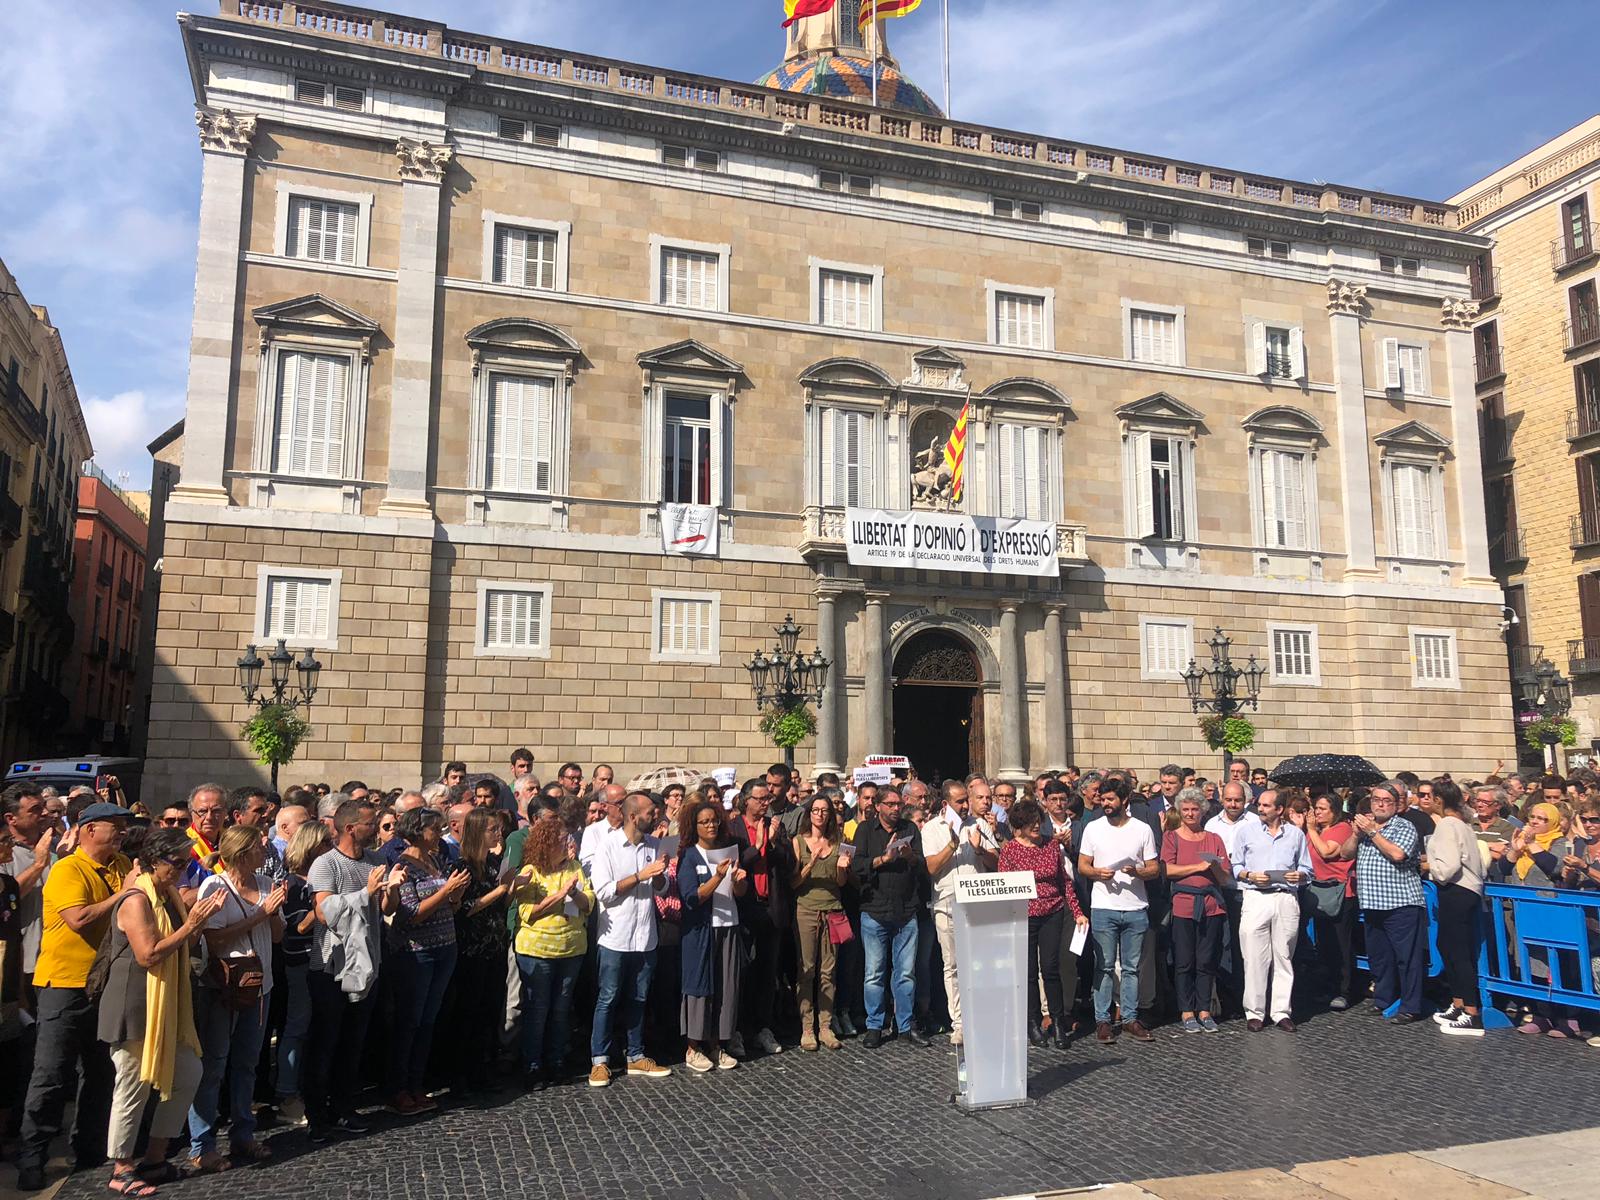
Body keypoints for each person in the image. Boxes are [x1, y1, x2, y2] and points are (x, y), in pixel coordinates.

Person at [98, 829, 227, 1197]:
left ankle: (155, 1158)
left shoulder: (169, 894)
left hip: (167, 1001)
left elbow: (183, 941)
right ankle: (121, 1168)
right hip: (134, 1002)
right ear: (156, 860)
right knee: (133, 1084)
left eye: (188, 863)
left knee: (189, 1071)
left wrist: (196, 923)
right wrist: (191, 924)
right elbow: (149, 954)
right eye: (179, 862)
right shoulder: (137, 898)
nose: (184, 869)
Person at [16, 802, 136, 1191]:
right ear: (87, 830)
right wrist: (124, 895)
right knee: (51, 1074)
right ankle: (32, 1156)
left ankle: (88, 1149)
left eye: (123, 826)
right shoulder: (68, 869)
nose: (121, 832)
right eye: (114, 826)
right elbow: (79, 918)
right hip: (63, 985)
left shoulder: (120, 865)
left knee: (101, 1071)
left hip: (105, 984)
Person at [304, 798, 401, 1142]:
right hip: (330, 965)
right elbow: (325, 911)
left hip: (367, 964)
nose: (375, 828)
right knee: (326, 1041)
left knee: (354, 1041)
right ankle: (317, 1114)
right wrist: (367, 891)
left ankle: (344, 1107)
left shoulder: (375, 860)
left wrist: (392, 890)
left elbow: (385, 907)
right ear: (350, 828)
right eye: (370, 823)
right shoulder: (325, 864)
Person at [586, 792, 673, 1087]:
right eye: (650, 812)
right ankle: (600, 1060)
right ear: (633, 815)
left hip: (645, 935)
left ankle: (636, 1054)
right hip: (615, 937)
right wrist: (640, 874)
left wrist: (660, 875)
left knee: (639, 997)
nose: (656, 816)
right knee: (608, 998)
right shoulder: (607, 847)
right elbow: (605, 892)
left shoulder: (654, 845)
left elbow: (661, 889)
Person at [387, 807, 468, 1115]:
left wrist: (455, 895)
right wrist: (445, 890)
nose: (440, 833)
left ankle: (417, 1082)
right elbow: (410, 915)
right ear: (419, 832)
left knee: (428, 1020)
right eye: (436, 829)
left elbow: (449, 906)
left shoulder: (435, 860)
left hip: (445, 946)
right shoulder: (403, 865)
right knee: (410, 1021)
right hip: (416, 952)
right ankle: (399, 1086)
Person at [511, 814, 593, 1086]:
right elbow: (526, 913)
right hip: (538, 950)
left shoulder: (574, 867)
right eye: (559, 840)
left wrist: (574, 895)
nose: (565, 843)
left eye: (566, 838)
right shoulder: (530, 871)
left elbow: (588, 903)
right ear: (546, 844)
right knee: (538, 1008)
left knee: (561, 1008)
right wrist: (559, 896)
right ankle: (532, 1064)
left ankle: (556, 1060)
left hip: (571, 948)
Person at [999, 798, 1087, 1049]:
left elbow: (1065, 882)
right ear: (1019, 826)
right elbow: (1005, 887)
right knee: (1027, 972)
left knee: (1051, 967)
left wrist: (1077, 910)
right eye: (1030, 823)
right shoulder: (1010, 850)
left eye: (1038, 821)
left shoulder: (1051, 845)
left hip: (1052, 911)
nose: (1036, 826)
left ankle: (1058, 1022)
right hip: (1024, 915)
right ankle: (1033, 1023)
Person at [1078, 784, 1159, 1043]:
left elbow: (1154, 868)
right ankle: (1102, 1019)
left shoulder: (1142, 829)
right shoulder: (1093, 827)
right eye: (1103, 799)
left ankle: (1129, 1018)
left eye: (1111, 799)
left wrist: (1138, 872)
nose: (1106, 803)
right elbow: (1082, 866)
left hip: (1135, 906)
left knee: (1131, 967)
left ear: (1124, 800)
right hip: (1103, 907)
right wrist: (1097, 873)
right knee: (1103, 966)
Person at [1342, 780, 1428, 1023]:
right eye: (1376, 800)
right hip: (1372, 902)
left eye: (1386, 801)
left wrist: (1372, 832)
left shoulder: (1405, 826)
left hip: (1400, 903)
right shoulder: (1365, 828)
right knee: (1380, 957)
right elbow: (1345, 853)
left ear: (1396, 805)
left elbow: (1398, 854)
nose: (1380, 805)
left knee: (1407, 958)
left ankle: (1411, 1006)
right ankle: (1384, 999)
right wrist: (1357, 835)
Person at [921, 779, 997, 1048]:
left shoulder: (980, 825)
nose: (966, 806)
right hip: (946, 904)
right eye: (960, 801)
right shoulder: (932, 829)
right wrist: (952, 845)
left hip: (977, 903)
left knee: (978, 964)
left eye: (967, 800)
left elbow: (996, 862)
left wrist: (977, 849)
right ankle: (960, 1023)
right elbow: (931, 867)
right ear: (945, 803)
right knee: (952, 965)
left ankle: (981, 1018)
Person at [851, 788, 929, 1048]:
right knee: (874, 972)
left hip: (906, 910)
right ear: (879, 806)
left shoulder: (910, 829)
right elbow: (857, 866)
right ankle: (875, 1025)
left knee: (906, 973)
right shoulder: (864, 830)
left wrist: (910, 857)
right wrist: (884, 859)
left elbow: (922, 866)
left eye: (898, 804)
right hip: (874, 909)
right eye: (891, 804)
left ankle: (905, 1025)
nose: (896, 808)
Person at [1231, 789, 1310, 1032]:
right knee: (1254, 957)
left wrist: (1300, 875)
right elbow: (1236, 866)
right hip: (1256, 896)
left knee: (1283, 956)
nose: (1261, 809)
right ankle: (1254, 1012)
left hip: (1286, 897)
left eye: (1266, 805)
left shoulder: (1295, 835)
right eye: (1260, 805)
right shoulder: (1246, 832)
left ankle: (1281, 1011)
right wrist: (1249, 875)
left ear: (1279, 809)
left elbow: (1307, 869)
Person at [677, 799, 747, 1072]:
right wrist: (717, 878)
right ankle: (693, 1047)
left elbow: (738, 894)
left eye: (714, 820)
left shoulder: (727, 851)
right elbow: (691, 898)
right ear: (694, 826)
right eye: (704, 822)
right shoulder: (689, 855)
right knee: (700, 986)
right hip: (701, 931)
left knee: (725, 986)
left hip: (728, 924)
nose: (711, 825)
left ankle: (717, 1044)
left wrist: (739, 882)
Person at [447, 808, 510, 1092]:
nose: (498, 834)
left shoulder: (494, 865)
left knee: (490, 1010)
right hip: (471, 950)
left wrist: (511, 891)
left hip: (494, 946)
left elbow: (499, 905)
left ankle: (483, 1069)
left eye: (498, 829)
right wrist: (499, 891)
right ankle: (461, 1075)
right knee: (467, 1014)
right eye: (492, 830)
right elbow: (464, 910)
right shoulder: (462, 867)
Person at [1160, 788, 1231, 1034]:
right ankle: (1186, 1010)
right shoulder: (1172, 837)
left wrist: (1214, 868)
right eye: (1186, 809)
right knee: (1184, 961)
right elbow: (1167, 870)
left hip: (1211, 906)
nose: (1190, 814)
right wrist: (1198, 866)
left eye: (1195, 809)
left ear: (1202, 811)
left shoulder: (1214, 838)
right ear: (1180, 811)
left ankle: (1204, 1009)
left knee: (1207, 960)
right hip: (1183, 905)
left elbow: (1223, 878)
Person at [273, 821, 329, 1127]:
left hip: (324, 961)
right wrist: (322, 907)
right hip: (301, 962)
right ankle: (287, 1094)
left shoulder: (321, 877)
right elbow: (293, 931)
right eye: (325, 845)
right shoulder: (294, 884)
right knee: (297, 1028)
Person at [729, 779, 791, 1057]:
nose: (766, 803)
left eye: (768, 798)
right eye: (760, 798)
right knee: (741, 973)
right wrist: (756, 846)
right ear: (746, 800)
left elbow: (789, 864)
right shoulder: (734, 829)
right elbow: (734, 864)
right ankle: (738, 1029)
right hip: (745, 909)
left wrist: (774, 843)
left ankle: (763, 1027)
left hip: (771, 908)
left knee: (767, 974)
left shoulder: (777, 826)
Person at [791, 792, 851, 1051]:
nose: (820, 814)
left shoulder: (840, 842)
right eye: (815, 809)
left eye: (824, 810)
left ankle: (825, 1026)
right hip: (806, 909)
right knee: (806, 969)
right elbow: (793, 882)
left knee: (829, 971)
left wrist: (841, 867)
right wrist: (811, 863)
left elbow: (841, 883)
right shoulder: (798, 842)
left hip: (833, 910)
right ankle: (807, 1027)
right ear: (809, 813)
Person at [1426, 778, 1486, 1036]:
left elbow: (1448, 866)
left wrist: (1430, 869)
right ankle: (1459, 1003)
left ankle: (1471, 1013)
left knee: (1457, 951)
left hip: (1457, 890)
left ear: (1439, 799)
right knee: (1447, 947)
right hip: (1463, 890)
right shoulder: (1461, 825)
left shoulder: (1448, 825)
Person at [1297, 793, 1357, 1009]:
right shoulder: (1318, 830)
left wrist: (1311, 829)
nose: (1318, 812)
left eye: (1323, 808)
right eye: (1316, 807)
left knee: (1341, 943)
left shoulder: (1342, 829)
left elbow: (1327, 852)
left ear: (1335, 811)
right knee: (1324, 943)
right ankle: (1326, 986)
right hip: (1320, 891)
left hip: (1340, 892)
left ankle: (1344, 990)